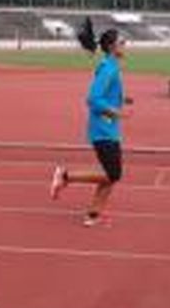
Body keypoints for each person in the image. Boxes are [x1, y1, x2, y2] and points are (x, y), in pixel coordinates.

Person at [50, 28, 130, 227]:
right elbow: (93, 99)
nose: (125, 45)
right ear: (112, 47)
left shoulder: (111, 66)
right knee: (113, 174)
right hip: (103, 130)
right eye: (122, 42)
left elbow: (105, 94)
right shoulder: (108, 68)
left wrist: (121, 100)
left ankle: (93, 215)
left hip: (108, 128)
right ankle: (65, 176)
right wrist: (116, 112)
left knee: (111, 175)